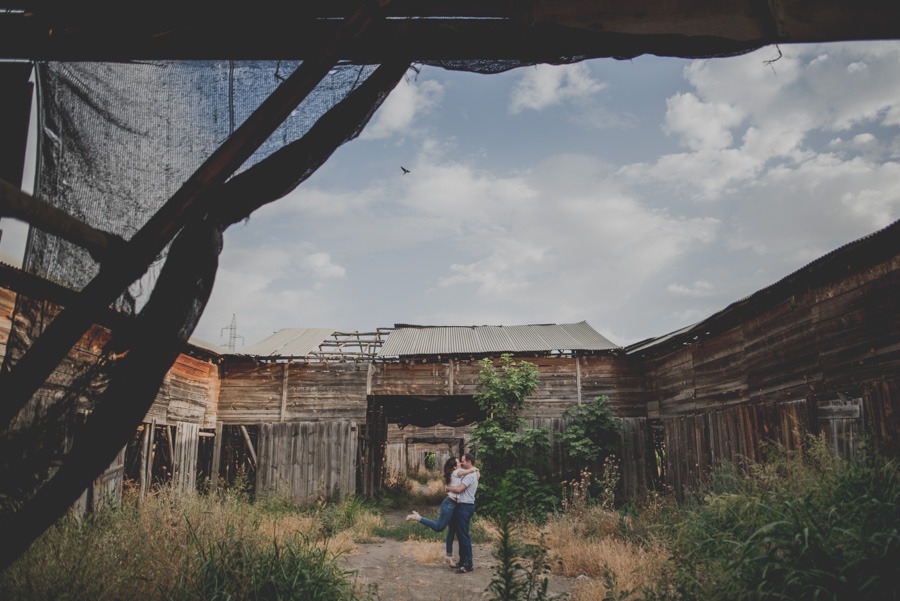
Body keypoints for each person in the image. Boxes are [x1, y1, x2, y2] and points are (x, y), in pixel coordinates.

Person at [406, 457, 479, 568]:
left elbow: (471, 476)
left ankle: (448, 556)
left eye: (461, 461)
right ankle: (418, 517)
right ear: (455, 466)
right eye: (459, 462)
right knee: (439, 527)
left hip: (455, 505)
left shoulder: (460, 473)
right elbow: (468, 473)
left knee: (452, 530)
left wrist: (476, 472)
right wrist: (474, 469)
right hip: (449, 504)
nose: (460, 463)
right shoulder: (456, 472)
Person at [444, 452, 478, 573]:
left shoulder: (469, 475)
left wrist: (448, 488)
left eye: (462, 461)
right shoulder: (469, 473)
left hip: (465, 507)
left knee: (464, 536)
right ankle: (463, 561)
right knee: (460, 535)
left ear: (469, 462)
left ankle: (468, 565)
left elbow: (459, 489)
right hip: (462, 507)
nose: (461, 463)